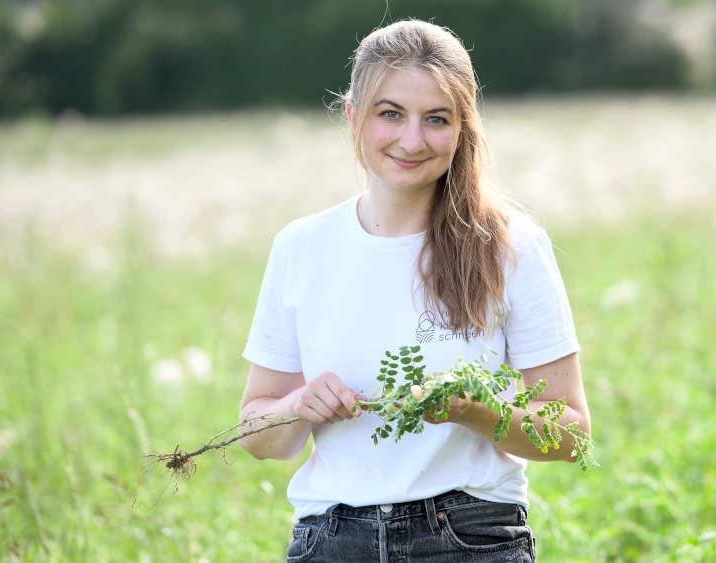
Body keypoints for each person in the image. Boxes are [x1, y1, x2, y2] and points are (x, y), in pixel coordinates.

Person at [237, 19, 591, 562]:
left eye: (436, 119)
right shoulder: (301, 246)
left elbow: (571, 435)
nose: (411, 140)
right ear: (353, 116)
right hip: (331, 542)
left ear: (462, 129)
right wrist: (297, 405)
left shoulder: (511, 247)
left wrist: (479, 411)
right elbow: (258, 436)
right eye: (390, 114)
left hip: (468, 537)